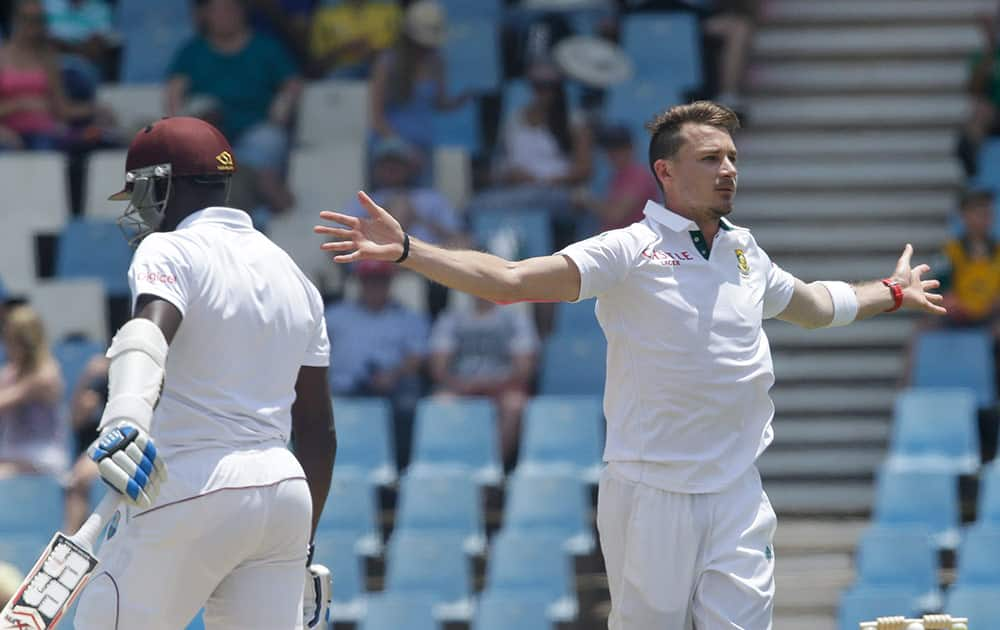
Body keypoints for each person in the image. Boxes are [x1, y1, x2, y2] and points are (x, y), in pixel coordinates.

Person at [315, 101, 947, 628]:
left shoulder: (744, 251)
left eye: (732, 158)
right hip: (650, 490)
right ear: (665, 173)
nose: (728, 170)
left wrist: (890, 293)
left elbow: (812, 305)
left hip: (737, 488)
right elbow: (508, 280)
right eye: (710, 160)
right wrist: (407, 250)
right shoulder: (628, 248)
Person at [73, 116, 335, 630]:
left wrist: (124, 416)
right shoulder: (293, 274)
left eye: (142, 193)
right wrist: (300, 545)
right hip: (283, 496)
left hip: (192, 484)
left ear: (165, 183)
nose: (139, 210)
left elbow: (149, 330)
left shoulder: (172, 248)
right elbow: (318, 433)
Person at [166, 0, 302, 213]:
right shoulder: (192, 51)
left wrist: (282, 109)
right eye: (216, 11)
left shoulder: (266, 46)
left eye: (229, 9)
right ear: (206, 15)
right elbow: (175, 92)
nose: (224, 16)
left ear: (242, 12)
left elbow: (291, 83)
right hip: (210, 134)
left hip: (255, 131)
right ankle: (261, 185)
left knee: (271, 139)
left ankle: (248, 180)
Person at [325, 259, 429, 470]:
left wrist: (393, 374)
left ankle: (400, 471)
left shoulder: (408, 317)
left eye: (380, 280)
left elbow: (417, 357)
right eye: (369, 280)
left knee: (409, 401)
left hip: (391, 386)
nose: (375, 286)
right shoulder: (335, 316)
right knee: (311, 404)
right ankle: (326, 472)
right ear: (360, 282)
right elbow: (313, 354)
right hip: (344, 388)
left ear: (390, 282)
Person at [429, 297, 538, 468]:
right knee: (440, 402)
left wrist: (491, 384)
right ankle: (453, 468)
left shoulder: (515, 319)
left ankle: (492, 469)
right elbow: (438, 368)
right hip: (461, 388)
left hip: (502, 388)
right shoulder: (451, 319)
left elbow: (524, 369)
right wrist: (463, 385)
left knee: (515, 405)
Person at [369, 0, 470, 171]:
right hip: (389, 152)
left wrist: (459, 101)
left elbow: (438, 102)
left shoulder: (437, 61)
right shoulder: (386, 63)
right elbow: (377, 120)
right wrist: (404, 149)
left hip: (423, 149)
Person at [0, 0, 96, 150]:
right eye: (27, 19)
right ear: (15, 20)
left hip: (44, 132)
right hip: (8, 132)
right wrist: (20, 105)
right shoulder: (2, 57)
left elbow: (62, 109)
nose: (32, 27)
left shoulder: (48, 60)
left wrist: (93, 110)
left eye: (38, 20)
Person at [0, 304, 66, 479]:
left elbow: (6, 401)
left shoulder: (47, 373)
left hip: (42, 456)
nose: (8, 346)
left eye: (13, 340)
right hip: (10, 455)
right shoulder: (9, 372)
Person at [576, 121, 660, 232]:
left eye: (617, 149)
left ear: (630, 148)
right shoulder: (616, 176)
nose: (611, 154)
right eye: (608, 149)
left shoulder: (638, 176)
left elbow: (616, 215)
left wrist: (587, 200)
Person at [62, 352, 106, 531]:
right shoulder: (101, 376)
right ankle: (71, 542)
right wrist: (86, 378)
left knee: (82, 474)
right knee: (79, 477)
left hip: (127, 444)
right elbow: (76, 420)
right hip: (93, 450)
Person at [309, 0, 401, 79]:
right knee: (334, 81)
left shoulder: (389, 9)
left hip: (384, 70)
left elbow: (406, 52)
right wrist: (341, 51)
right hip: (341, 73)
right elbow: (315, 64)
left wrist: (374, 53)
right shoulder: (325, 14)